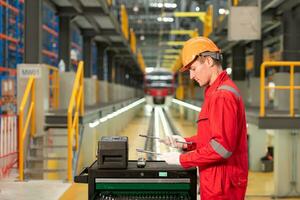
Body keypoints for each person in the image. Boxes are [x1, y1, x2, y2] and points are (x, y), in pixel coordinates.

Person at [160, 37, 248, 200]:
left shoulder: (222, 96)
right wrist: (186, 143)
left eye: (193, 68)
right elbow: (213, 139)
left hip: (222, 187)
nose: (191, 76)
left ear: (208, 61)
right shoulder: (215, 92)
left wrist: (182, 160)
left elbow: (221, 147)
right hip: (217, 181)